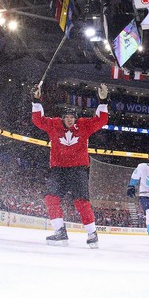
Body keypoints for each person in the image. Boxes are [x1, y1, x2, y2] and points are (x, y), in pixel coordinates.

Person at [31, 83, 109, 248]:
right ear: (62, 118)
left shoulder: (84, 126)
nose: (69, 119)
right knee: (51, 198)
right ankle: (60, 231)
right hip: (58, 170)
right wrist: (36, 100)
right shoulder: (53, 125)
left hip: (78, 170)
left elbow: (101, 120)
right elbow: (37, 120)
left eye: (72, 117)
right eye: (66, 117)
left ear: (75, 119)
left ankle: (92, 233)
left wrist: (103, 101)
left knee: (81, 201)